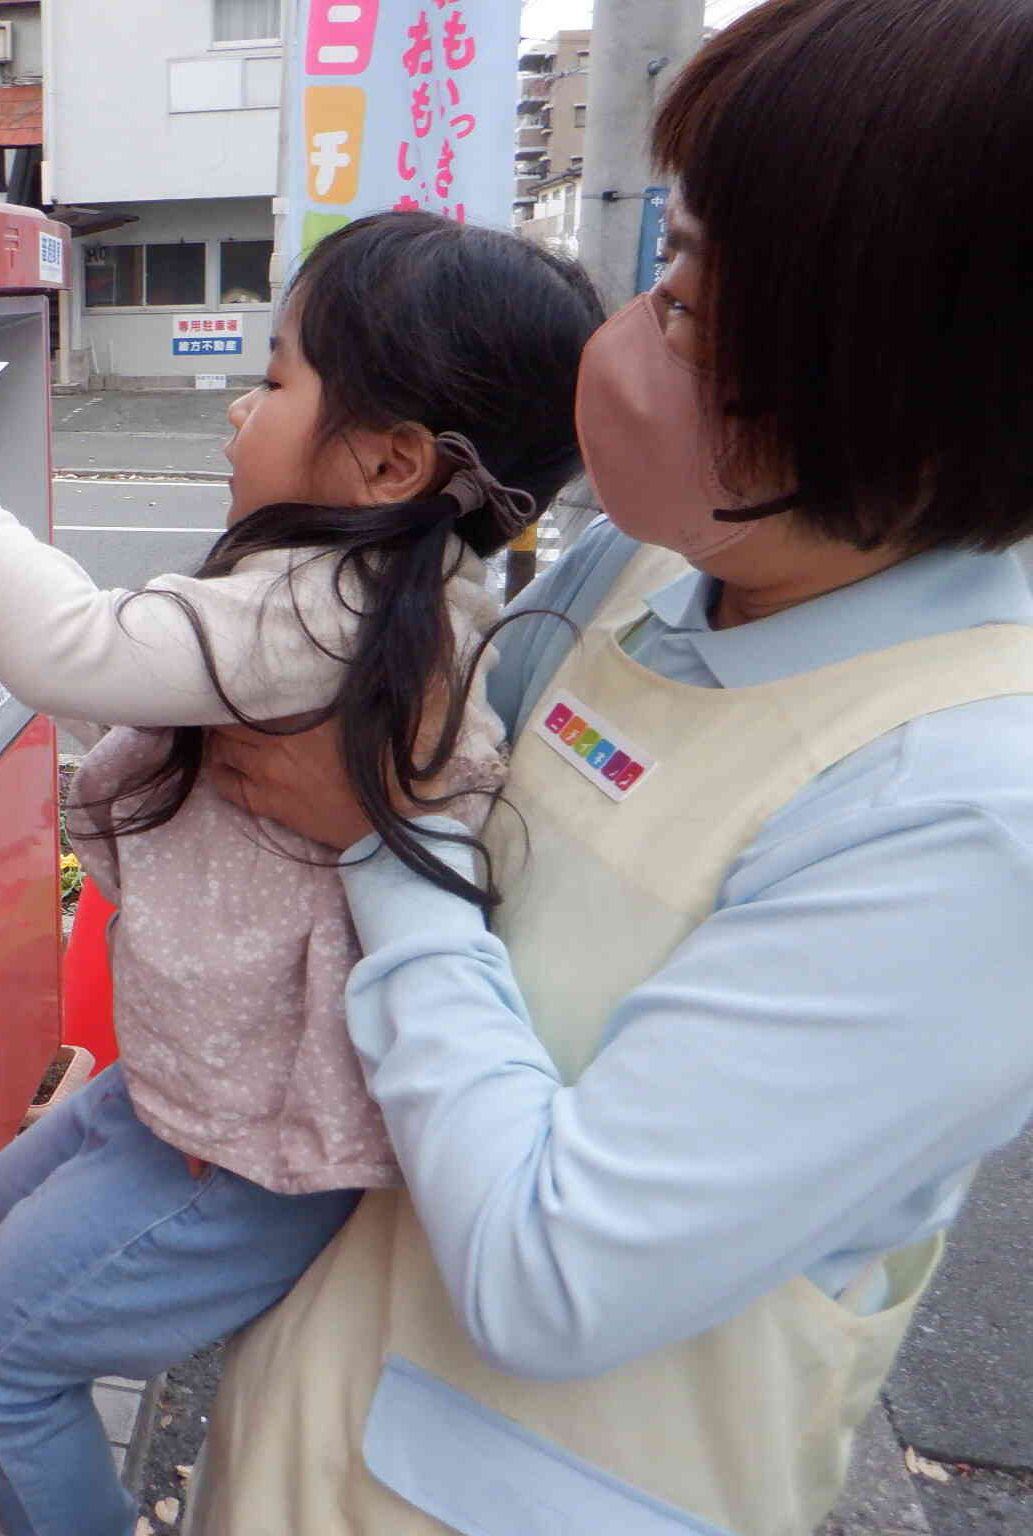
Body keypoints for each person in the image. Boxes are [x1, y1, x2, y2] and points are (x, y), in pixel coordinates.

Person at [184, 2, 1033, 1532]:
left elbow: (552, 1273)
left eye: (703, 302)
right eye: (672, 259)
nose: (632, 332)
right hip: (306, 1434)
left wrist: (383, 835)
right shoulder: (644, 573)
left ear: (904, 368)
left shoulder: (969, 808)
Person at [0, 212, 603, 1536]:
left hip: (254, 1142)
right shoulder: (383, 584)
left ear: (390, 460)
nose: (243, 406)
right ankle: (16, 1454)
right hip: (203, 1080)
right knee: (7, 1199)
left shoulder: (321, 612)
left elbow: (67, 644)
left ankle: (35, 1478)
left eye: (279, 376)